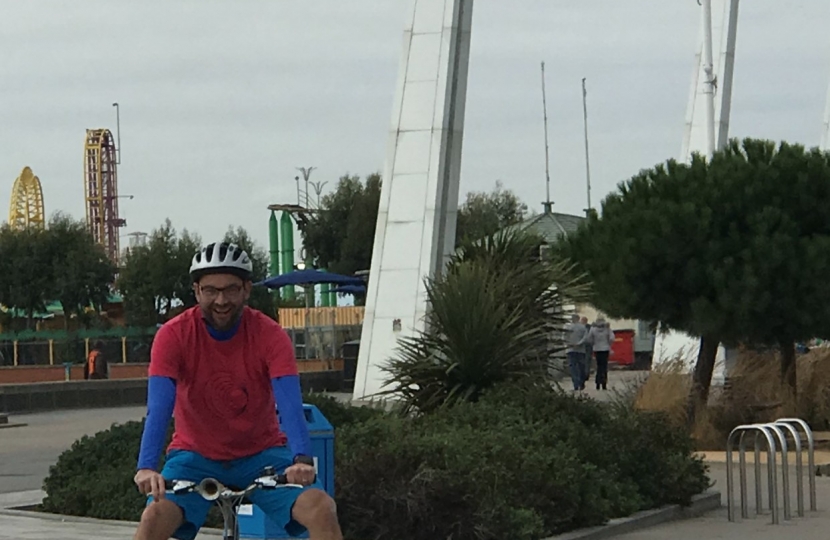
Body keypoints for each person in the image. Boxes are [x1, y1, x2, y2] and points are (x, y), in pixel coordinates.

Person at [132, 241, 343, 540]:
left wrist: (302, 460)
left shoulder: (269, 334)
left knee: (321, 509)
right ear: (196, 292)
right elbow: (159, 406)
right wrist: (147, 467)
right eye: (210, 290)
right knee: (153, 518)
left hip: (262, 455)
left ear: (246, 289)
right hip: (193, 456)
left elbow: (289, 400)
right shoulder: (173, 335)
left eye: (231, 289)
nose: (221, 300)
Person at [582, 317, 615, 390]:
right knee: (604, 366)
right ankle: (604, 383)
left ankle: (597, 382)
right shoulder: (607, 329)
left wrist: (594, 343)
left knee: (599, 366)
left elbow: (589, 339)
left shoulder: (593, 329)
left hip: (597, 349)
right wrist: (609, 344)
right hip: (605, 349)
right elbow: (612, 338)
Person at [565, 314, 588, 391]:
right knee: (581, 366)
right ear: (578, 319)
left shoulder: (567, 327)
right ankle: (581, 382)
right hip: (580, 350)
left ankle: (576, 383)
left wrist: (568, 344)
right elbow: (585, 338)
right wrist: (579, 343)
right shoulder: (583, 327)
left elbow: (564, 337)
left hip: (570, 349)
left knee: (573, 367)